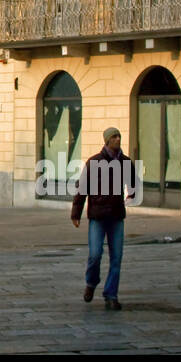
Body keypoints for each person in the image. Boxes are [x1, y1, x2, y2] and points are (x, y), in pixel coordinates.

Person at [71, 126, 136, 311]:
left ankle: (111, 295)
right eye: (114, 136)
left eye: (119, 136)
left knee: (117, 258)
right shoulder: (94, 162)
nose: (118, 139)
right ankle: (91, 283)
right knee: (95, 255)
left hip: (116, 217)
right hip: (98, 217)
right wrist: (76, 214)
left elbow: (133, 183)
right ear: (106, 140)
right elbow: (82, 189)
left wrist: (132, 194)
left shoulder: (125, 162)